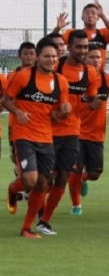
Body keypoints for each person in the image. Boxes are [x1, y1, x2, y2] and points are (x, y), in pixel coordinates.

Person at [3, 37, 70, 238]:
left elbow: (57, 113)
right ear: (38, 57)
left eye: (54, 56)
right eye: (46, 56)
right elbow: (6, 100)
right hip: (23, 134)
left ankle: (26, 228)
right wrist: (18, 112)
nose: (51, 60)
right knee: (30, 180)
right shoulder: (23, 77)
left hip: (46, 137)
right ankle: (13, 189)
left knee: (43, 183)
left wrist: (64, 111)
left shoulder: (61, 81)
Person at [36, 30, 99, 235]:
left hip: (72, 131)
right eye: (78, 46)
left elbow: (89, 100)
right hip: (48, 130)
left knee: (63, 175)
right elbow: (40, 91)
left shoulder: (90, 73)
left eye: (85, 47)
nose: (82, 50)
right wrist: (53, 112)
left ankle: (45, 221)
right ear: (68, 47)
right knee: (45, 178)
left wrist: (94, 103)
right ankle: (36, 206)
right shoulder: (56, 66)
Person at [68, 44, 109, 214]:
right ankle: (76, 205)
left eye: (98, 57)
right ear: (84, 58)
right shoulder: (78, 78)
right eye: (92, 57)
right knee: (76, 167)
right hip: (76, 132)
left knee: (95, 173)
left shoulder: (107, 80)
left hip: (97, 135)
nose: (96, 60)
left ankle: (82, 180)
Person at [53, 1, 109, 70]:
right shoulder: (74, 34)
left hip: (98, 75)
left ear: (98, 17)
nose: (90, 15)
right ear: (82, 17)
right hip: (80, 72)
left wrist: (103, 16)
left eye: (93, 13)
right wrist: (57, 28)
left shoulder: (103, 33)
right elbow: (54, 41)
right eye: (87, 13)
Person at [7, 42, 37, 180]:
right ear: (20, 56)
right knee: (17, 155)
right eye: (25, 54)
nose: (29, 57)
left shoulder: (42, 74)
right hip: (15, 122)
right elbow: (7, 97)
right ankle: (21, 177)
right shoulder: (13, 75)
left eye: (32, 54)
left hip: (37, 123)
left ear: (36, 56)